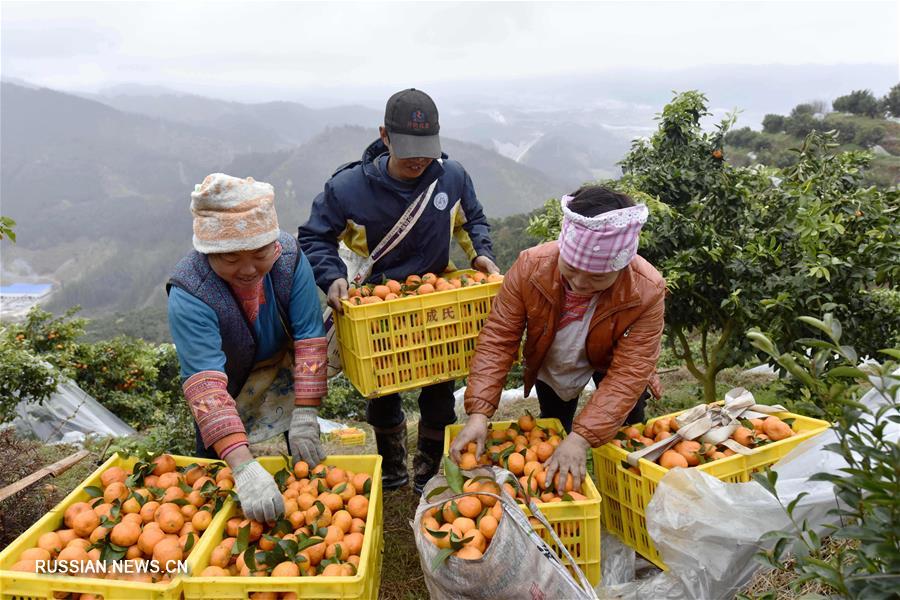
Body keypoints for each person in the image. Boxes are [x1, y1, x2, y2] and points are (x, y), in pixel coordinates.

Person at [298, 88, 498, 493]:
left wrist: (481, 255)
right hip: (376, 305)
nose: (419, 158)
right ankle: (391, 473)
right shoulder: (348, 188)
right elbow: (315, 236)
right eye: (408, 148)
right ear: (384, 136)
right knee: (382, 391)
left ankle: (427, 471)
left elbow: (471, 220)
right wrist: (331, 276)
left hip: (434, 299)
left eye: (427, 148)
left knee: (440, 389)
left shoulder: (452, 176)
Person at [450, 185, 665, 493]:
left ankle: (620, 493)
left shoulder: (646, 290)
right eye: (572, 270)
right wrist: (479, 413)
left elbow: (630, 372)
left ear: (621, 265)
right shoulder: (530, 268)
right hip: (554, 359)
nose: (579, 283)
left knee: (626, 432)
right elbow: (499, 338)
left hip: (613, 360)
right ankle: (556, 484)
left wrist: (582, 438)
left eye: (597, 277)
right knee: (554, 425)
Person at [167, 173, 327, 524]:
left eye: (259, 254)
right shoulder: (190, 291)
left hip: (282, 364)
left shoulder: (289, 259)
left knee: (302, 451)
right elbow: (206, 386)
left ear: (273, 244)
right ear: (208, 250)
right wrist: (243, 467)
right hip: (229, 379)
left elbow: (309, 336)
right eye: (230, 259)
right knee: (219, 469)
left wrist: (305, 413)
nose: (249, 269)